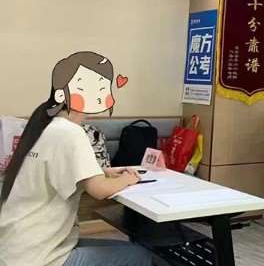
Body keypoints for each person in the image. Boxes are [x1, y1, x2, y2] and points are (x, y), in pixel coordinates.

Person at [0, 52, 151, 266]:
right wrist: (128, 179)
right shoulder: (71, 132)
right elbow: (99, 190)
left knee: (128, 249)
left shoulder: (43, 126)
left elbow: (54, 169)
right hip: (40, 257)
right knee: (140, 256)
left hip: (14, 250)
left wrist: (104, 172)